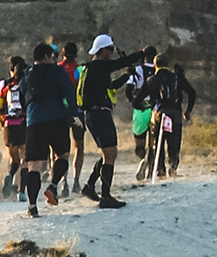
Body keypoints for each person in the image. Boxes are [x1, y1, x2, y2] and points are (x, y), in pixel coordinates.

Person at [76, 34, 138, 208]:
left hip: (94, 115)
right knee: (110, 154)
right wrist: (141, 54)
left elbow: (110, 87)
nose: (111, 53)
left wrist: (126, 76)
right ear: (102, 50)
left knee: (108, 154)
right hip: (99, 115)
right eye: (110, 49)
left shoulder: (92, 69)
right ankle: (105, 196)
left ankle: (90, 187)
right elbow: (117, 64)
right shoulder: (98, 66)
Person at [20, 40, 74, 215]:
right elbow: (69, 91)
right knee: (63, 155)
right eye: (52, 56)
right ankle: (53, 185)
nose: (54, 59)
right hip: (56, 117)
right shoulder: (58, 71)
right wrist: (73, 113)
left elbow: (22, 96)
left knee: (34, 165)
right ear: (46, 56)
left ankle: (32, 206)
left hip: (34, 121)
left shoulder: (26, 74)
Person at [146, 56, 197, 180]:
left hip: (158, 114)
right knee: (174, 143)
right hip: (175, 114)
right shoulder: (177, 78)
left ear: (155, 65)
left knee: (157, 142)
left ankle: (160, 171)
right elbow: (192, 92)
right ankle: (173, 169)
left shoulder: (152, 79)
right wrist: (188, 111)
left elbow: (145, 97)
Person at [0, 55, 28, 199]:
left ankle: (10, 175)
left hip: (8, 126)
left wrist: (2, 123)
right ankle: (22, 191)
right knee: (26, 159)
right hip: (22, 125)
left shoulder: (5, 86)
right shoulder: (27, 86)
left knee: (13, 159)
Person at [126, 46, 159, 181]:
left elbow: (128, 90)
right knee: (154, 142)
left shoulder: (138, 70)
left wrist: (134, 102)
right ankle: (151, 171)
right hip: (155, 109)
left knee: (139, 140)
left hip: (141, 109)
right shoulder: (158, 71)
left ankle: (142, 159)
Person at [56, 39, 82, 195]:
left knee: (60, 150)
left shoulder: (56, 69)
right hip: (76, 110)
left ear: (63, 54)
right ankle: (76, 181)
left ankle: (63, 181)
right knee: (78, 145)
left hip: (58, 111)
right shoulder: (79, 69)